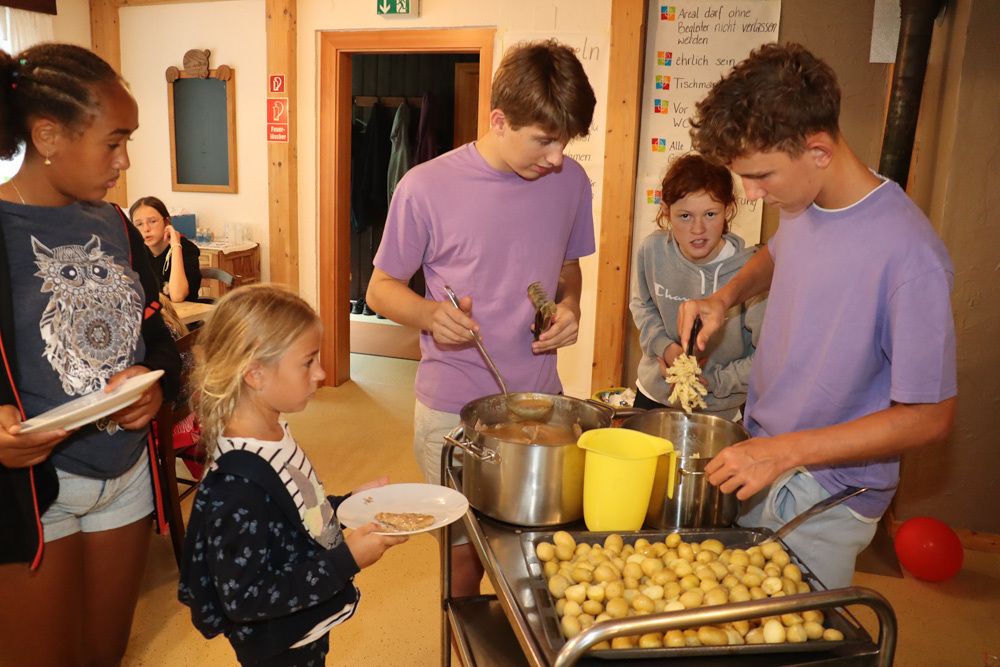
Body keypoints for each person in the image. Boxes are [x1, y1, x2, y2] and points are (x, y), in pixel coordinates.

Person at [678, 42, 957, 588]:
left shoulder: (911, 256)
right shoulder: (805, 201)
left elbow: (931, 416)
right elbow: (777, 254)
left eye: (761, 176)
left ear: (819, 151)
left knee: (791, 627)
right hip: (766, 452)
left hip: (824, 493)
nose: (751, 194)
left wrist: (784, 452)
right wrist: (724, 297)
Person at [366, 39, 597, 597]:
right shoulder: (425, 187)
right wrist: (430, 314)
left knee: (539, 553)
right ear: (499, 120)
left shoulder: (571, 182)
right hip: (453, 411)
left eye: (565, 141)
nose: (557, 157)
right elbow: (380, 289)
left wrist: (570, 307)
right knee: (464, 556)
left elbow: (568, 269)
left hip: (542, 404)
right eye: (544, 140)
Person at [0, 43, 182, 666]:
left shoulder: (115, 224)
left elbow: (158, 333)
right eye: (113, 142)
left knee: (105, 654)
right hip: (33, 493)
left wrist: (154, 384)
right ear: (48, 136)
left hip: (127, 479)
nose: (124, 160)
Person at [178, 284, 407, 667]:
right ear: (255, 374)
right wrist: (346, 560)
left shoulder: (273, 432)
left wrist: (347, 505)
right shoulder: (235, 488)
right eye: (307, 362)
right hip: (280, 648)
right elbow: (245, 598)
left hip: (305, 626)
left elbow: (293, 511)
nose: (321, 372)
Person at [630, 153, 765, 420]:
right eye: (685, 216)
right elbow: (642, 306)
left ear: (728, 209)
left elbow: (765, 358)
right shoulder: (652, 250)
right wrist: (665, 349)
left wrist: (709, 380)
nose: (698, 229)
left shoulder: (752, 273)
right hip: (653, 394)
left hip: (718, 407)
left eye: (710, 214)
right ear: (666, 210)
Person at [129, 195, 202, 301]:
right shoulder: (138, 251)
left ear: (167, 222)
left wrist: (176, 246)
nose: (146, 229)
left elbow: (177, 296)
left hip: (181, 311)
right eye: (139, 224)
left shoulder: (187, 249)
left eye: (153, 221)